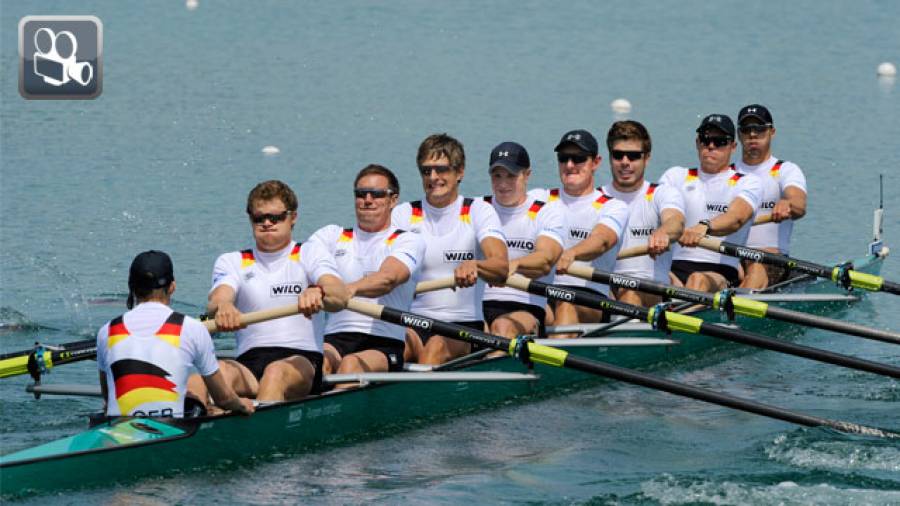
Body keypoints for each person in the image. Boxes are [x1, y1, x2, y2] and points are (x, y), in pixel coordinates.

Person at [189, 180, 350, 405]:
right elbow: (218, 299)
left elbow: (339, 294)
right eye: (259, 218)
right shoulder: (233, 261)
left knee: (275, 373)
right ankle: (188, 428)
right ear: (250, 219)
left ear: (292, 217)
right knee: (205, 377)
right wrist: (224, 307)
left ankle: (257, 434)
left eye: (275, 217)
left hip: (301, 362)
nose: (267, 223)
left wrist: (320, 292)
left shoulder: (309, 253)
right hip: (249, 363)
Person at [392, 133, 509, 364]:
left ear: (460, 172)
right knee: (391, 346)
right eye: (426, 171)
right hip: (413, 323)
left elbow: (501, 267)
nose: (433, 177)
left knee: (434, 349)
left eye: (441, 170)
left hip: (462, 325)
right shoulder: (403, 214)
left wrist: (477, 265)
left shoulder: (478, 211)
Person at [97, 250, 254, 418]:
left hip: (118, 431)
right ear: (172, 286)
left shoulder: (106, 331)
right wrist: (242, 405)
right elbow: (223, 399)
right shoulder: (192, 328)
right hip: (172, 431)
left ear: (132, 288)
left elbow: (108, 397)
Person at [309, 165, 425, 378]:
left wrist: (348, 290)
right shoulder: (330, 236)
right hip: (335, 338)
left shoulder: (407, 240)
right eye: (361, 194)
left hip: (384, 341)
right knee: (316, 364)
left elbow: (387, 279)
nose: (367, 200)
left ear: (393, 200)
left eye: (377, 194)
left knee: (351, 365)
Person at [531, 129, 629, 332]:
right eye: (563, 158)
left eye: (578, 158)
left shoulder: (612, 206)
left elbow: (602, 239)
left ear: (596, 162)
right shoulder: (539, 198)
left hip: (590, 298)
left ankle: (553, 359)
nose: (569, 165)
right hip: (543, 294)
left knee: (566, 304)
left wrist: (572, 253)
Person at [660, 114, 763, 291]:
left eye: (719, 141)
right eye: (705, 140)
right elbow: (660, 213)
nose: (711, 146)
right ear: (697, 143)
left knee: (697, 280)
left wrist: (705, 226)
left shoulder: (747, 182)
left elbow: (736, 217)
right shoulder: (675, 176)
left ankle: (677, 316)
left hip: (719, 272)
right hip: (673, 269)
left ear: (733, 146)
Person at [482, 141, 564, 339]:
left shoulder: (546, 212)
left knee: (502, 327)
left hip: (525, 306)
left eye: (511, 176)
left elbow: (545, 260)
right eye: (497, 176)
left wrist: (514, 265)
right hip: (476, 306)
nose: (503, 184)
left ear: (527, 175)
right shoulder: (478, 209)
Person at [599, 121, 685, 306]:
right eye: (618, 155)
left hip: (651, 290)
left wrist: (664, 232)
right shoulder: (596, 199)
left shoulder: (661, 193)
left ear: (646, 158)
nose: (625, 162)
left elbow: (675, 221)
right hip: (605, 291)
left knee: (630, 292)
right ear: (610, 157)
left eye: (633, 156)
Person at [734, 104, 808, 289]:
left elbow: (799, 203)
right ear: (738, 134)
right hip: (731, 257)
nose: (752, 134)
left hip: (770, 259)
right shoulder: (728, 174)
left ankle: (734, 312)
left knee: (757, 267)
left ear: (771, 132)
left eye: (759, 129)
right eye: (746, 129)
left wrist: (788, 204)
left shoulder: (785, 170)